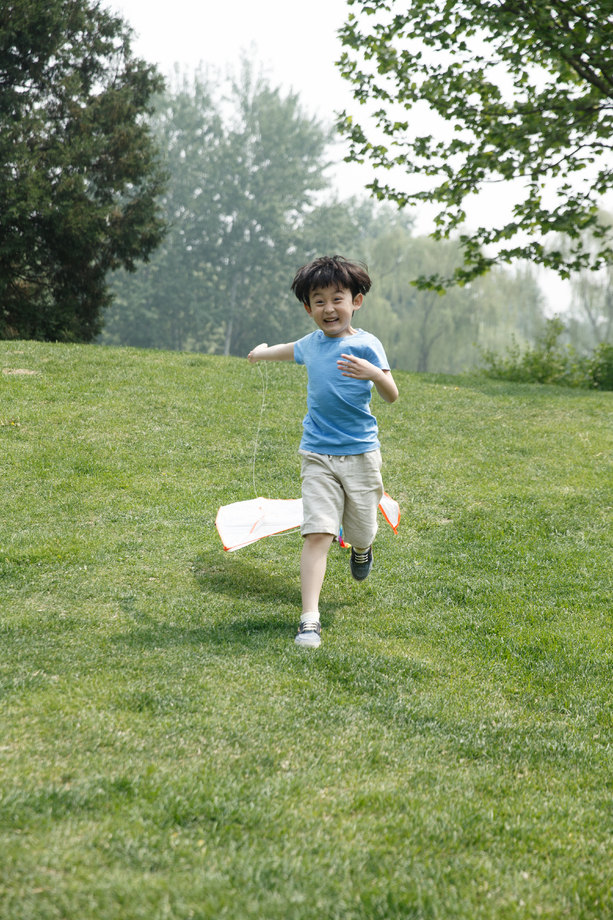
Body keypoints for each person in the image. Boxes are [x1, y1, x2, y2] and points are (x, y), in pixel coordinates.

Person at [247, 255, 398, 648]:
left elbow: (392, 395)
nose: (329, 308)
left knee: (362, 528)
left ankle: (362, 548)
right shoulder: (311, 345)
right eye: (319, 301)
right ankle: (309, 620)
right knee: (318, 534)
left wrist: (374, 374)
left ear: (356, 301)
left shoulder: (367, 345)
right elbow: (287, 349)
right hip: (317, 454)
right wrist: (260, 353)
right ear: (308, 308)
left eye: (337, 298)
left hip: (362, 454)